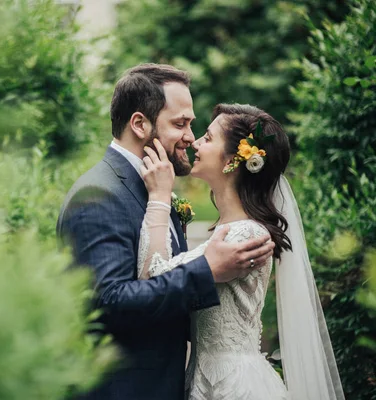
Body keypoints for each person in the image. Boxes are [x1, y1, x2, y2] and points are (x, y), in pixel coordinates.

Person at [56, 64, 274, 400]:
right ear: (140, 124)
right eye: (180, 123)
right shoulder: (98, 195)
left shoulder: (154, 186)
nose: (190, 136)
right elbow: (108, 303)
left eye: (192, 124)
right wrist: (207, 270)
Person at [139, 103, 345, 399]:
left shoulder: (245, 233)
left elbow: (154, 277)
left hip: (231, 387)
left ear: (233, 161)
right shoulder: (230, 228)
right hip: (209, 378)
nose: (195, 142)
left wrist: (159, 197)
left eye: (208, 139)